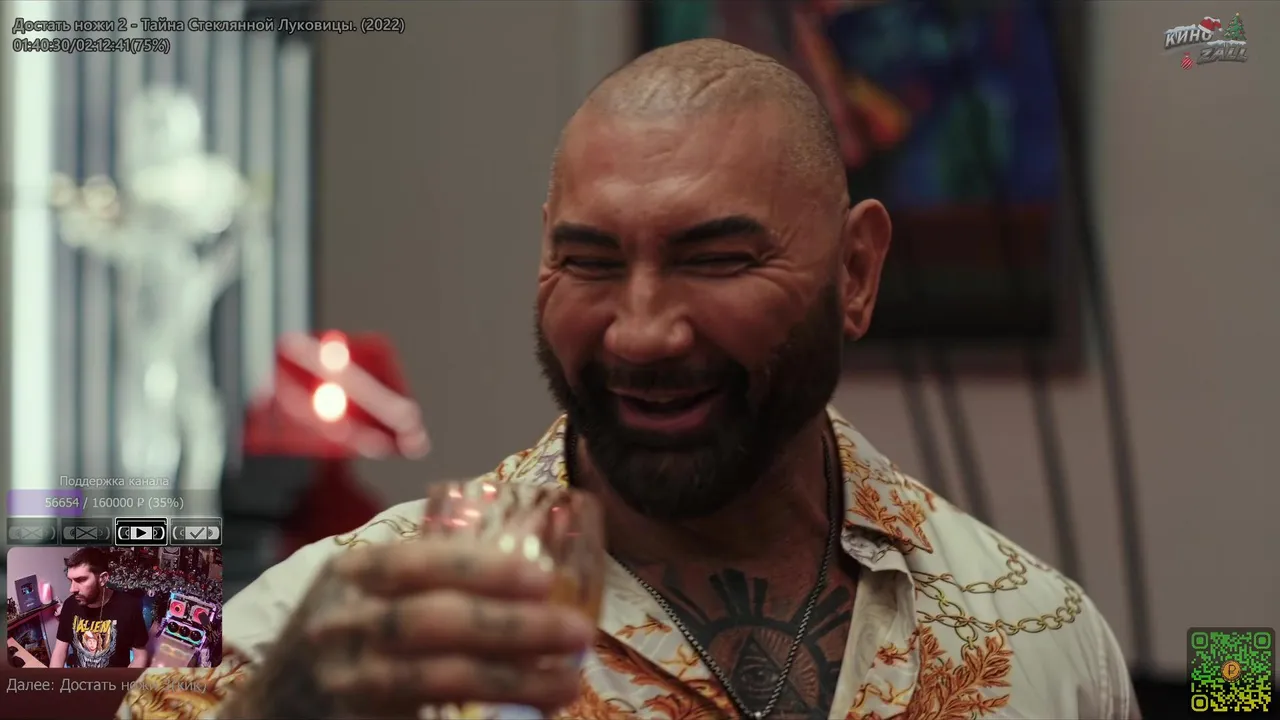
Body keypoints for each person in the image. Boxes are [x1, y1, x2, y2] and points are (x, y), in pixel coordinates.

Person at [117, 39, 1139, 720]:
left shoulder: (1042, 644)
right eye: (591, 262)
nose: (641, 332)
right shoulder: (323, 638)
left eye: (717, 258)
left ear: (856, 273)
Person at [51, 547, 150, 669]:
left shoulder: (129, 607)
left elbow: (140, 655)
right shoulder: (69, 605)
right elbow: (59, 651)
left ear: (103, 579)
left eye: (81, 580)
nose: (72, 589)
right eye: (70, 580)